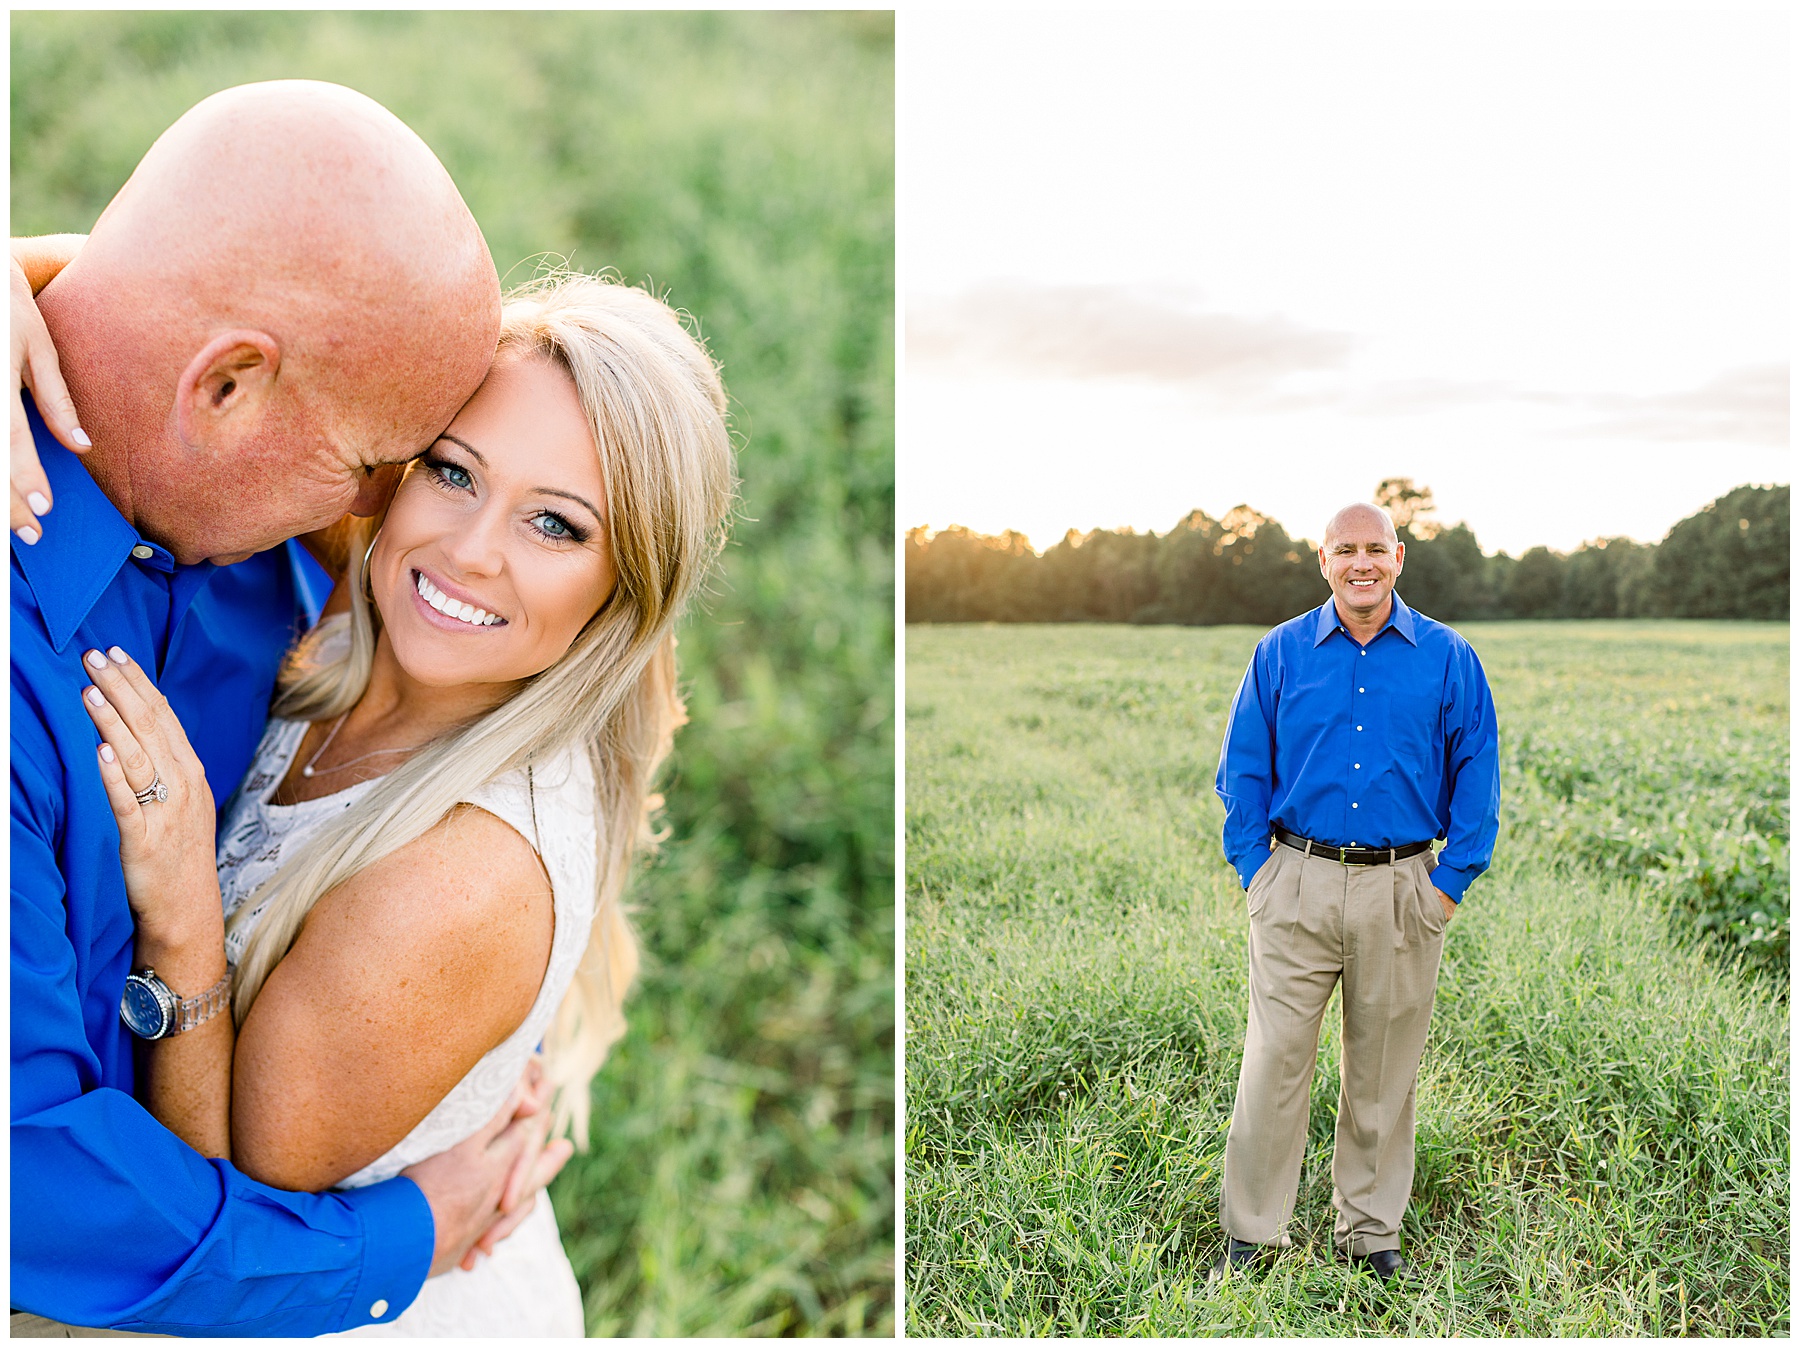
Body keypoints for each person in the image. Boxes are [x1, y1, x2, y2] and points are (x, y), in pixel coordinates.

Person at [10, 81, 565, 1334]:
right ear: (225, 390)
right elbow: (29, 1185)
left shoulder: (263, 541)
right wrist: (400, 1237)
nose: (381, 515)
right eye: (372, 463)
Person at [1209, 501, 1499, 1284]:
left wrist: (1447, 886)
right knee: (1275, 1061)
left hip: (1404, 887)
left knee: (1383, 1072)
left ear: (1399, 558)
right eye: (1346, 550)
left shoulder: (1449, 658)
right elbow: (1241, 772)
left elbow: (1478, 773)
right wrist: (1259, 872)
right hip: (1295, 882)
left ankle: (1369, 1234)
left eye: (1375, 548)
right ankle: (1251, 1235)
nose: (1361, 562)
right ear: (1324, 561)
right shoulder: (1279, 653)